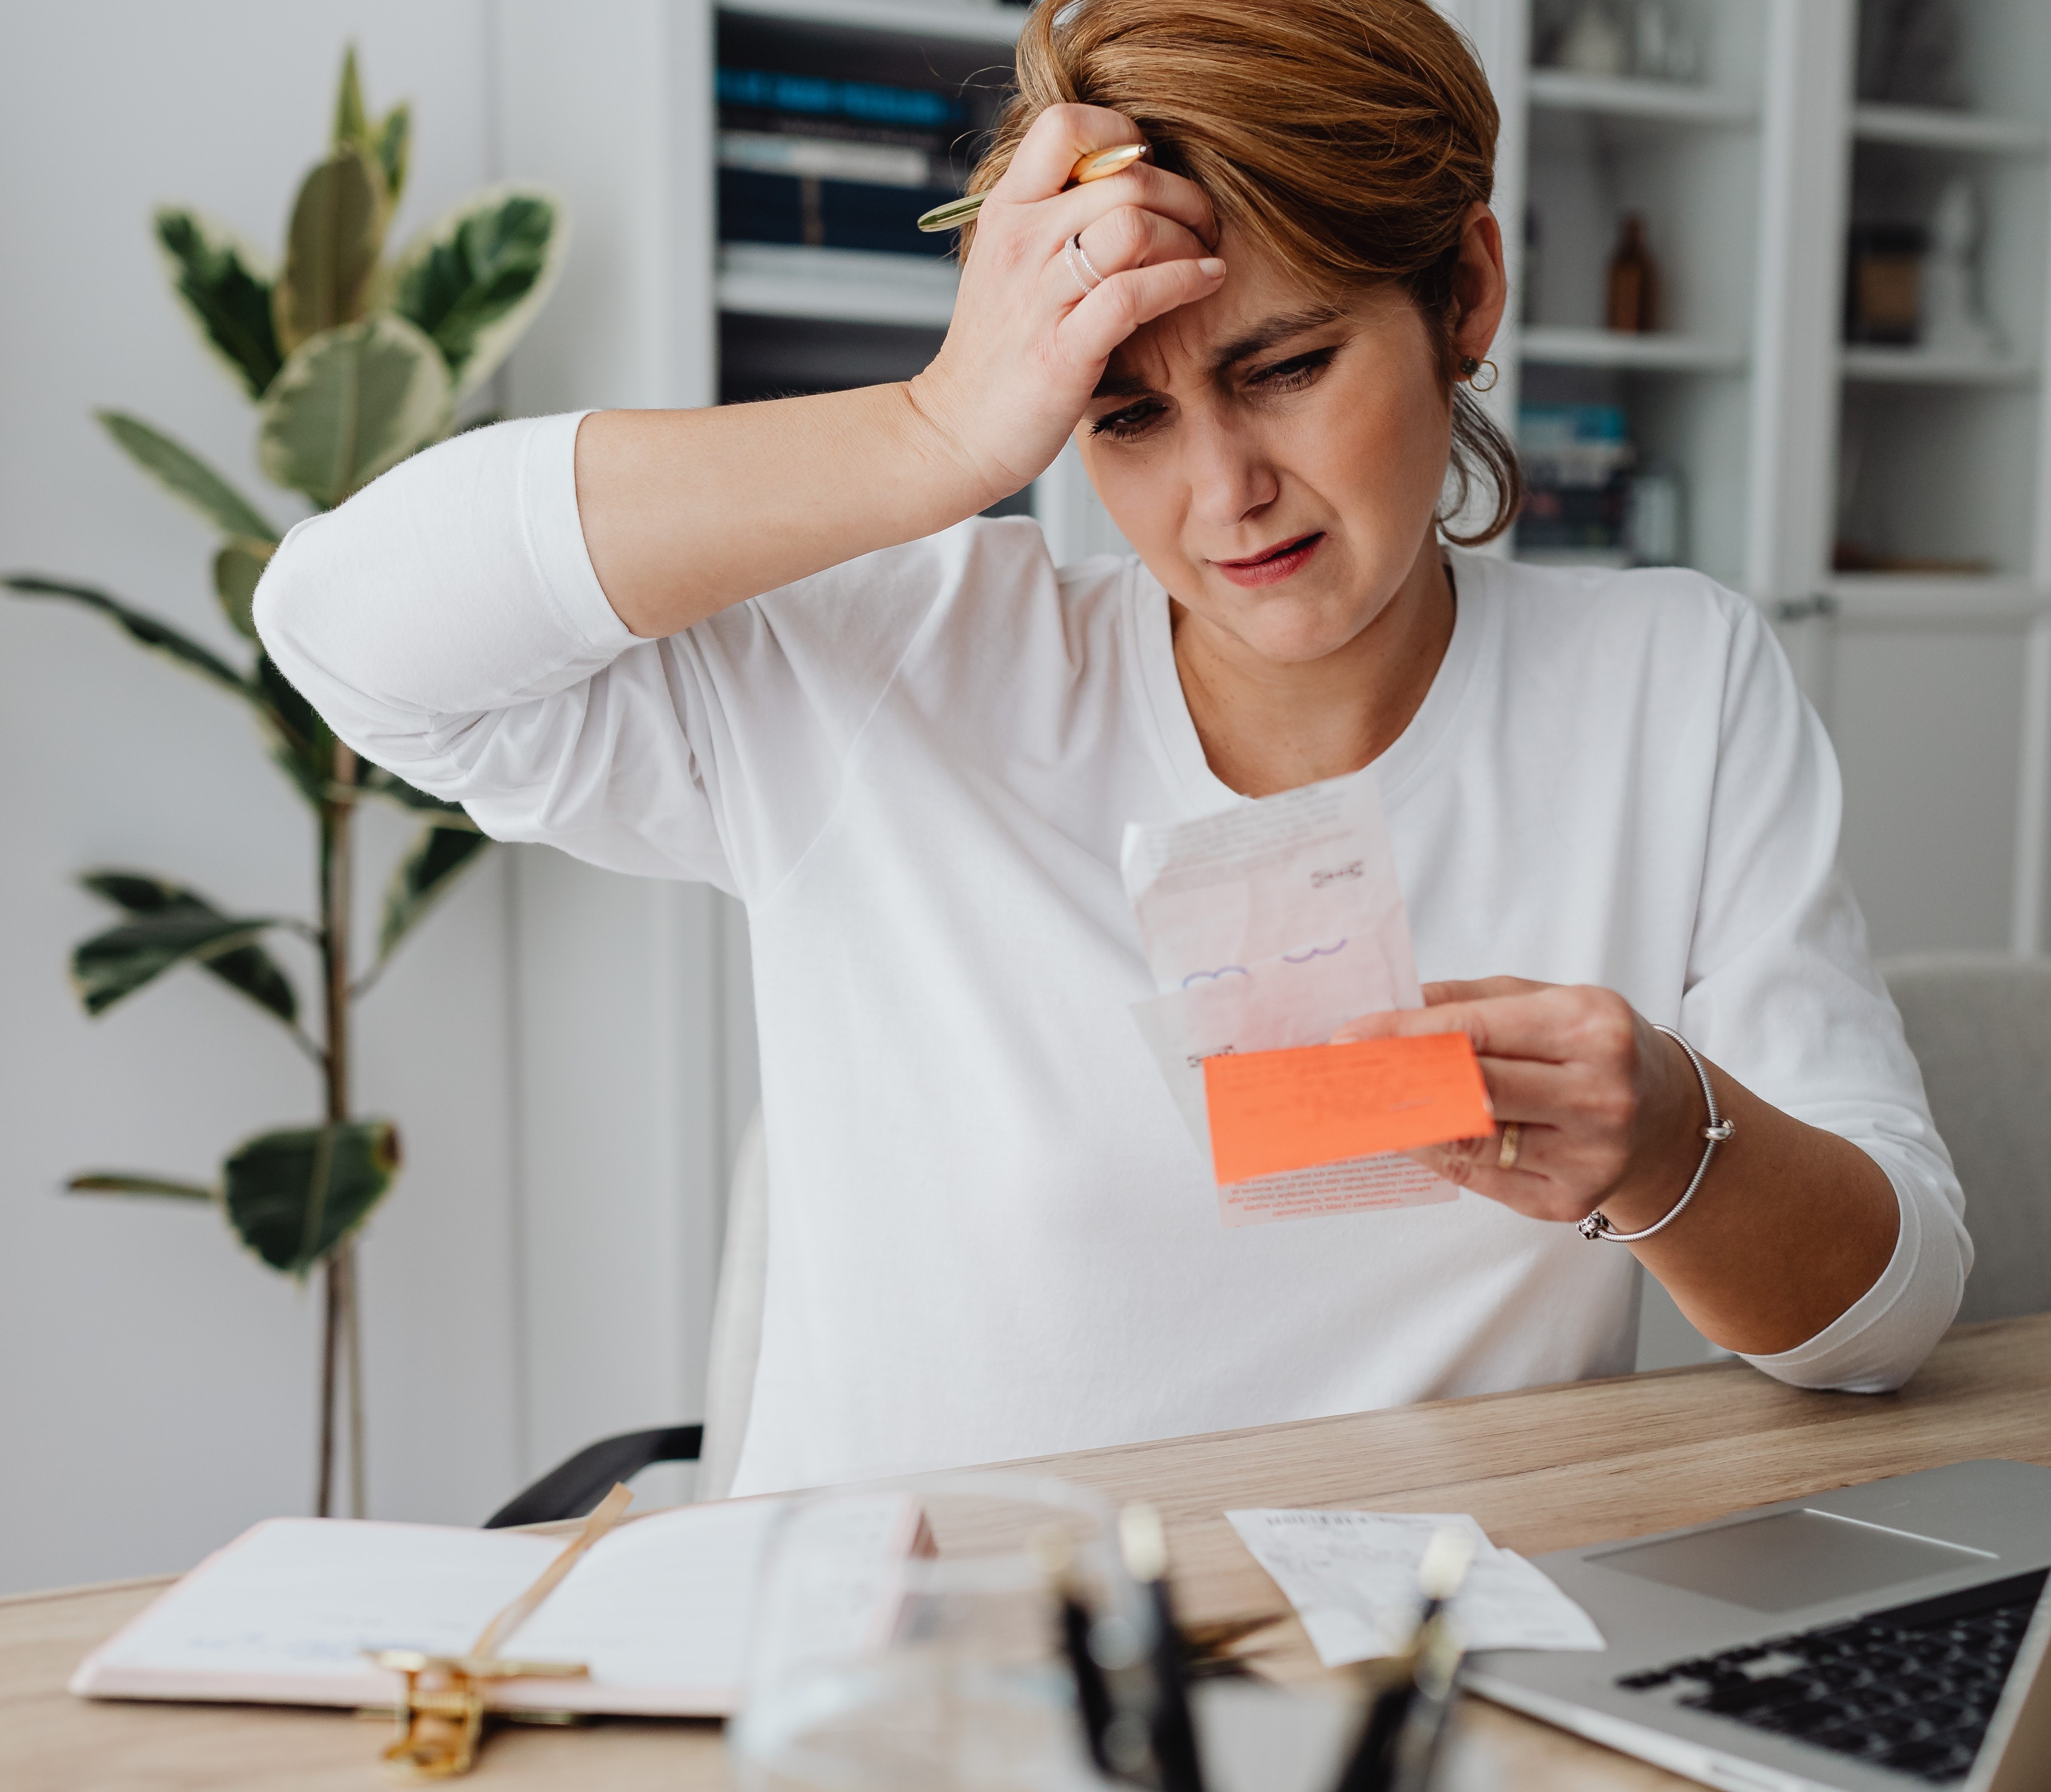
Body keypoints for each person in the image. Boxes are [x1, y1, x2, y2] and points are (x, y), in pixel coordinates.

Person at [256, 0, 1969, 1498]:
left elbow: (1884, 1326)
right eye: (1123, 415)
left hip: (1415, 1687)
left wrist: (1677, 1144)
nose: (1222, 493)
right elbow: (346, 629)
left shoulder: (1673, 684)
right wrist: (937, 431)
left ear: (1466, 291)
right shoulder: (896, 669)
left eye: (1287, 367)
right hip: (916, 1690)